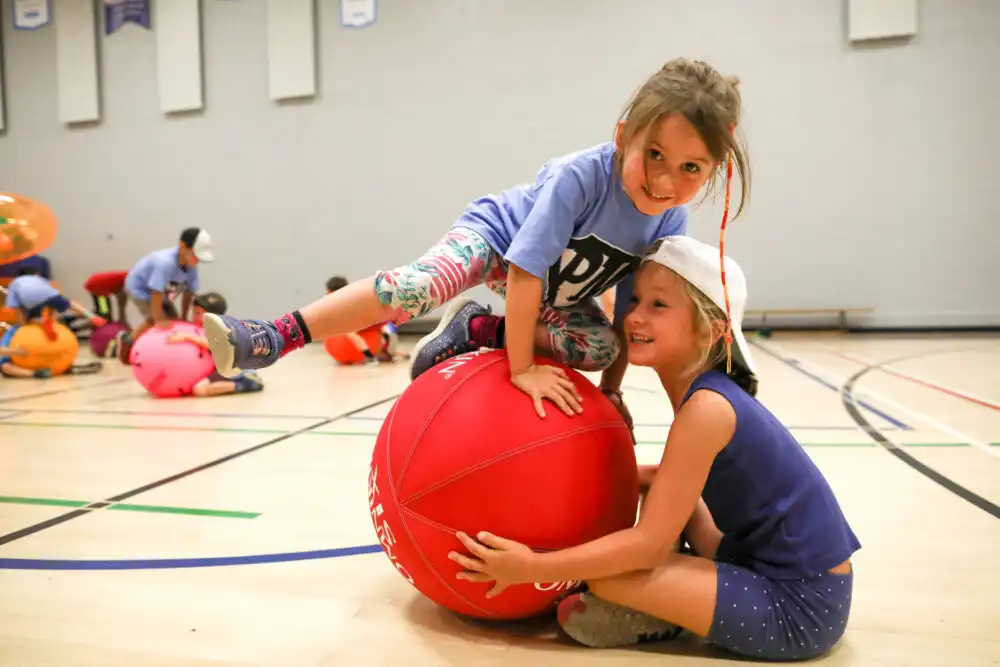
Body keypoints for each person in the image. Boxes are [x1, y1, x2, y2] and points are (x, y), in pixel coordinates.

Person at [202, 58, 750, 427]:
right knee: (418, 289)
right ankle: (273, 335)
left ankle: (476, 328)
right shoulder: (581, 178)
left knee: (602, 345)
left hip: (556, 293)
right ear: (622, 134)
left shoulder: (668, 225)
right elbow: (524, 271)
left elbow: (627, 308)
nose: (664, 180)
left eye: (690, 168)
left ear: (711, 171)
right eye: (653, 154)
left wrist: (611, 389)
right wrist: (519, 370)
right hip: (498, 243)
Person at [446, 236, 861, 662]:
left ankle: (666, 614)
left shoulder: (707, 409)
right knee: (655, 494)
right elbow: (665, 483)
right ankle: (676, 595)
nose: (635, 317)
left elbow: (646, 546)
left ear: (713, 330)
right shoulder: (705, 395)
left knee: (609, 579)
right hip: (754, 558)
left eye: (658, 306)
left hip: (801, 606)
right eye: (636, 299)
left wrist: (531, 567)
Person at [116, 227, 214, 364]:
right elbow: (156, 292)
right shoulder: (164, 262)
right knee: (154, 320)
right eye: (195, 255)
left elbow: (189, 292)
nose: (197, 260)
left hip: (162, 293)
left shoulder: (191, 264)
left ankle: (166, 351)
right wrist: (158, 319)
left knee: (174, 321)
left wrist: (184, 317)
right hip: (140, 289)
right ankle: (127, 341)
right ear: (183, 246)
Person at [165, 292, 263, 397]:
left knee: (199, 390)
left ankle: (247, 383)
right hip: (220, 369)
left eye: (198, 313)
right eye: (193, 313)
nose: (194, 317)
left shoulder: (223, 327)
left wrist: (187, 337)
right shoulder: (201, 329)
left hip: (237, 370)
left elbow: (214, 345)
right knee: (194, 386)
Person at [325, 275, 409, 364]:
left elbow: (352, 331)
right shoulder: (350, 301)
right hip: (370, 328)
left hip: (367, 329)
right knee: (380, 331)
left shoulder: (345, 304)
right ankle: (386, 353)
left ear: (331, 291)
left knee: (353, 331)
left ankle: (372, 356)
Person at [3, 267, 106, 332]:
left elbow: (17, 308)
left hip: (31, 300)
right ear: (35, 274)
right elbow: (51, 300)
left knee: (31, 317)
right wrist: (53, 317)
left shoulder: (14, 283)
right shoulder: (40, 279)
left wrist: (22, 327)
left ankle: (42, 321)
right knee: (69, 303)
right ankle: (91, 316)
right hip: (50, 294)